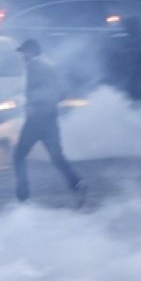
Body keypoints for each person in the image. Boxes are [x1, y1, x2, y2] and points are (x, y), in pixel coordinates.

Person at [13, 38, 86, 206]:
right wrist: (48, 104)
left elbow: (39, 93)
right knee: (56, 157)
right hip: (50, 119)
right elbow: (62, 93)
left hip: (36, 120)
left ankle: (23, 198)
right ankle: (77, 184)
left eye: (24, 52)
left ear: (31, 51)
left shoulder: (35, 67)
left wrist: (34, 104)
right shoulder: (49, 65)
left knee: (19, 156)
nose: (22, 56)